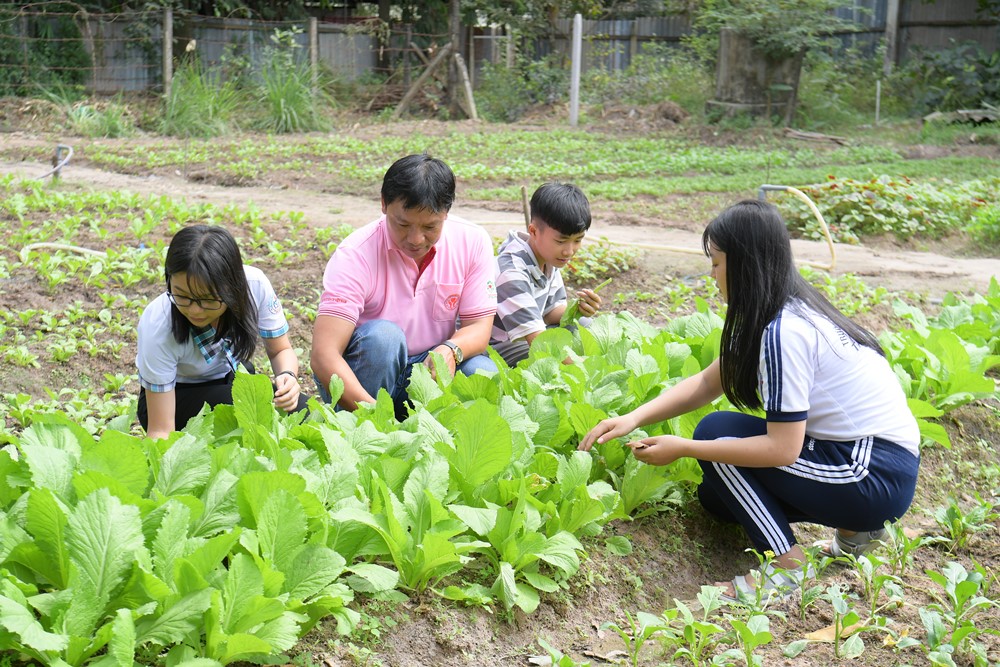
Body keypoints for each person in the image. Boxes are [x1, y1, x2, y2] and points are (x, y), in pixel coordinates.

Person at [579, 200, 920, 602]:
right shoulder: (780, 310)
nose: (713, 276)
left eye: (717, 263)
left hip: (871, 473)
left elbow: (783, 447)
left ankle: (788, 567)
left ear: (744, 265)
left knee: (715, 441)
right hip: (876, 462)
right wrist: (632, 418)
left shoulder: (784, 332)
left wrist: (684, 448)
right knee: (717, 497)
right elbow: (709, 382)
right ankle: (858, 534)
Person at [311, 154, 497, 418]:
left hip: (427, 370)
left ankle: (446, 439)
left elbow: (479, 328)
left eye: (430, 226)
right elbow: (323, 355)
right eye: (403, 224)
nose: (416, 239)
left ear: (446, 213)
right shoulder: (356, 254)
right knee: (384, 338)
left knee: (482, 371)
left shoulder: (473, 241)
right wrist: (377, 419)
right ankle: (357, 426)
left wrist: (451, 349)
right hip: (365, 377)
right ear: (384, 204)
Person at [136, 225, 307, 441]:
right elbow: (161, 430)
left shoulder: (254, 286)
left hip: (230, 377)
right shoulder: (158, 323)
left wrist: (287, 377)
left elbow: (280, 350)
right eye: (182, 296)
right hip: (174, 397)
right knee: (247, 412)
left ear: (232, 287)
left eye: (208, 299)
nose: (194, 310)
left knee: (305, 411)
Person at [490, 182, 602, 367]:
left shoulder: (548, 258)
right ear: (533, 231)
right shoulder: (511, 272)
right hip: (498, 344)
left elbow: (549, 313)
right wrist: (582, 369)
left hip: (529, 331)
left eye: (578, 240)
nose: (569, 251)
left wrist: (579, 308)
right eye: (561, 241)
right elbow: (538, 339)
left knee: (585, 323)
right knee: (538, 351)